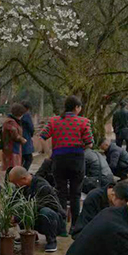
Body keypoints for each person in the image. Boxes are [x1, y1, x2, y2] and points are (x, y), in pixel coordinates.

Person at [39, 96, 93, 233]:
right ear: (76, 107)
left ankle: (61, 226)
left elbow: (43, 136)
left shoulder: (54, 121)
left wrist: (49, 152)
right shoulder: (83, 122)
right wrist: (79, 149)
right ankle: (75, 226)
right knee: (76, 194)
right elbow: (89, 142)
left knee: (61, 193)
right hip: (77, 161)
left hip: (59, 160)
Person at [8, 165, 65, 253]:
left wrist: (17, 218)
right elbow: (13, 201)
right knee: (19, 206)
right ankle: (29, 235)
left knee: (45, 212)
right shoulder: (23, 187)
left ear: (24, 179)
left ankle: (52, 241)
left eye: (16, 183)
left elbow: (36, 207)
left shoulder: (42, 186)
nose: (15, 186)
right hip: (37, 218)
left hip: (54, 220)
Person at [0, 103, 27, 172]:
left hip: (12, 148)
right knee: (12, 168)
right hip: (11, 148)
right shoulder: (11, 122)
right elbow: (14, 135)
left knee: (12, 168)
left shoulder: (12, 121)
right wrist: (22, 139)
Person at [20, 103, 36, 171]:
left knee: (22, 159)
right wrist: (32, 134)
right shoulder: (26, 116)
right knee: (29, 159)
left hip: (19, 139)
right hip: (26, 139)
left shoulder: (18, 116)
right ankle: (23, 172)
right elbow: (31, 128)